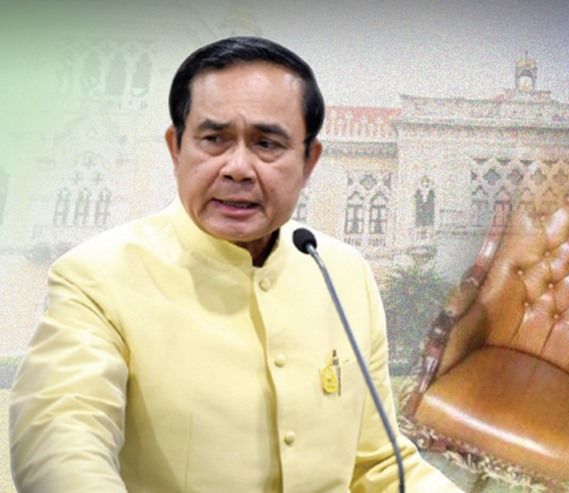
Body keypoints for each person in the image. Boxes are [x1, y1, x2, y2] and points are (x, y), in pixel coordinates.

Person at [9, 36, 461, 492]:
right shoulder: (97, 278)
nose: (238, 168)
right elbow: (60, 442)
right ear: (176, 149)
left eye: (266, 143)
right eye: (214, 140)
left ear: (309, 162)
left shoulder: (343, 276)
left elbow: (379, 466)